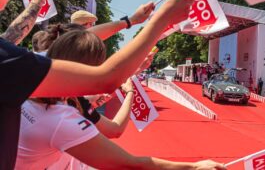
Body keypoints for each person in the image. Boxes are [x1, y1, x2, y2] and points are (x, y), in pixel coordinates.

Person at [1, 0, 223, 169]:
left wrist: (131, 21)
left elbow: (81, 43)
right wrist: (162, 19)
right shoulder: (60, 118)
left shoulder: (27, 65)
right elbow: (128, 162)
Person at [16, 30, 226, 170]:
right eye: (98, 70)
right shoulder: (60, 118)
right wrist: (195, 167)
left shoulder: (21, 77)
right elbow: (127, 158)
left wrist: (136, 66)